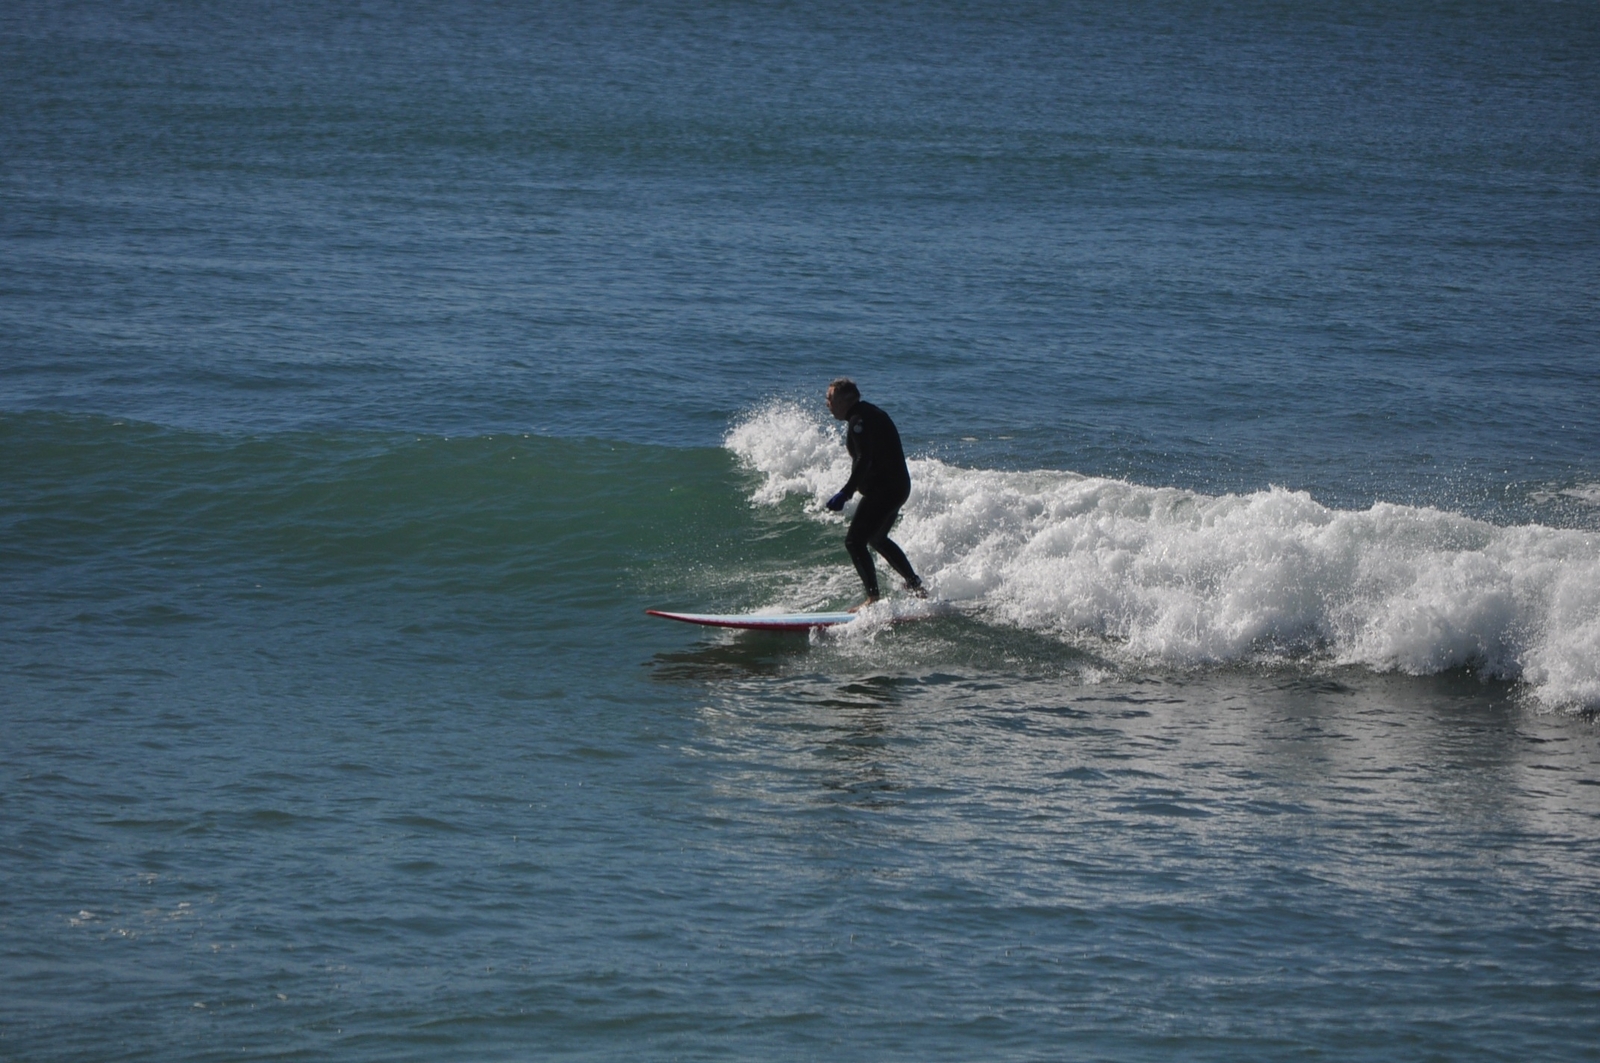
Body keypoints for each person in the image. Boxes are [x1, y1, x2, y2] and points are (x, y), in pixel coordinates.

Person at [824, 378, 926, 611]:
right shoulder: (867, 414)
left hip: (885, 491)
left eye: (830, 398)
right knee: (877, 538)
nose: (826, 403)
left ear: (845, 400)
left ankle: (873, 598)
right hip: (898, 487)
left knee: (854, 541)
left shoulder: (859, 420)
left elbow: (864, 459)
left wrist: (846, 492)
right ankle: (916, 586)